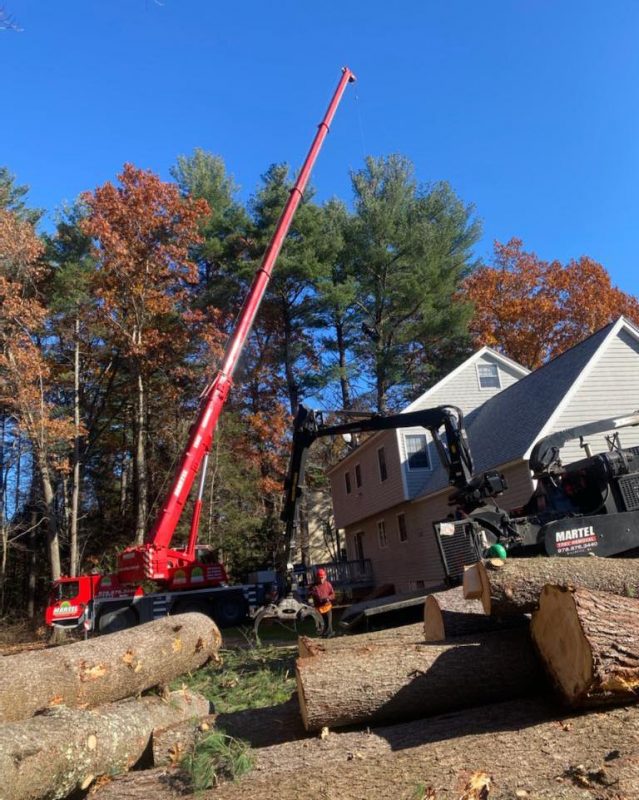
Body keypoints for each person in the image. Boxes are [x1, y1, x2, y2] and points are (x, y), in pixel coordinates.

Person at [308, 568, 335, 637]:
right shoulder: (313, 587)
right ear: (317, 578)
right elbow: (309, 596)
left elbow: (333, 594)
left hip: (327, 606)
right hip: (319, 608)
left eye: (322, 578)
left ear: (325, 576)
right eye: (319, 578)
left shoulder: (328, 584)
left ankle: (329, 633)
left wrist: (328, 598)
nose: (321, 579)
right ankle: (325, 633)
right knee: (322, 623)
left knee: (329, 623)